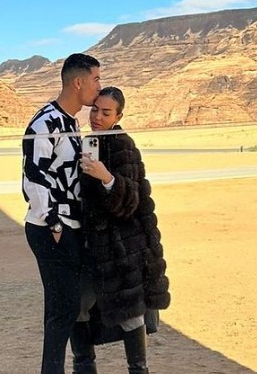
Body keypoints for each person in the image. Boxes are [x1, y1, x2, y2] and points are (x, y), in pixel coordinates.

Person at [73, 86, 170, 374]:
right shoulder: (89, 143)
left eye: (106, 113)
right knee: (78, 306)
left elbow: (131, 201)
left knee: (131, 313)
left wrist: (106, 177)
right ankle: (84, 367)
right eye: (94, 110)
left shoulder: (123, 145)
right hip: (91, 245)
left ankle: (138, 370)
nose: (97, 117)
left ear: (118, 116)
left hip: (121, 248)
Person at [22, 53, 101, 374]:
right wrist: (55, 224)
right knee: (62, 309)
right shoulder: (45, 123)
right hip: (51, 228)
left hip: (69, 225)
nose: (99, 86)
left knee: (71, 306)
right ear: (78, 82)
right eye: (96, 79)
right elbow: (34, 177)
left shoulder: (71, 122)